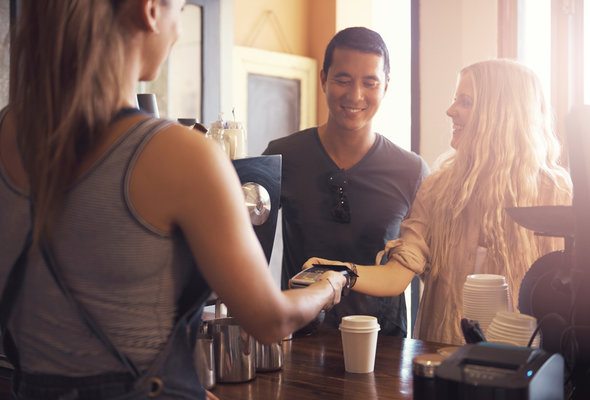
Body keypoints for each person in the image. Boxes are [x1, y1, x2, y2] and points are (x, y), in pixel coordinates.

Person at [0, 1, 346, 399]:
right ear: (150, 10)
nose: (179, 30)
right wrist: (328, 286)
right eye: (180, 9)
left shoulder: (6, 129)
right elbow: (270, 320)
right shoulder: (179, 153)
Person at [307, 59, 573, 345]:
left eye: (466, 102)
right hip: (444, 356)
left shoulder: (556, 192)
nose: (450, 110)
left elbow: (565, 292)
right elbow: (398, 274)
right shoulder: (439, 188)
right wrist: (341, 273)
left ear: (501, 113)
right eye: (455, 99)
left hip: (523, 362)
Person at [263, 27, 429, 336]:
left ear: (386, 86)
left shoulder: (411, 170)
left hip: (382, 342)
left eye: (370, 82)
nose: (355, 95)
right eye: (343, 80)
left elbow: (410, 266)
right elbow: (247, 242)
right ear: (323, 79)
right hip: (301, 336)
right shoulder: (282, 156)